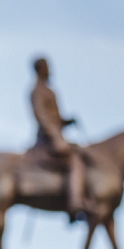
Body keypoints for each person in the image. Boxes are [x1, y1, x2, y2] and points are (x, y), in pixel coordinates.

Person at [30, 57, 87, 221]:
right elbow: (42, 117)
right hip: (48, 139)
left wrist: (67, 121)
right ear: (41, 69)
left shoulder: (50, 91)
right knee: (74, 161)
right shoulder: (36, 91)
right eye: (47, 67)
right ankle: (75, 203)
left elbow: (56, 118)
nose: (50, 70)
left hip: (57, 135)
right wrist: (55, 137)